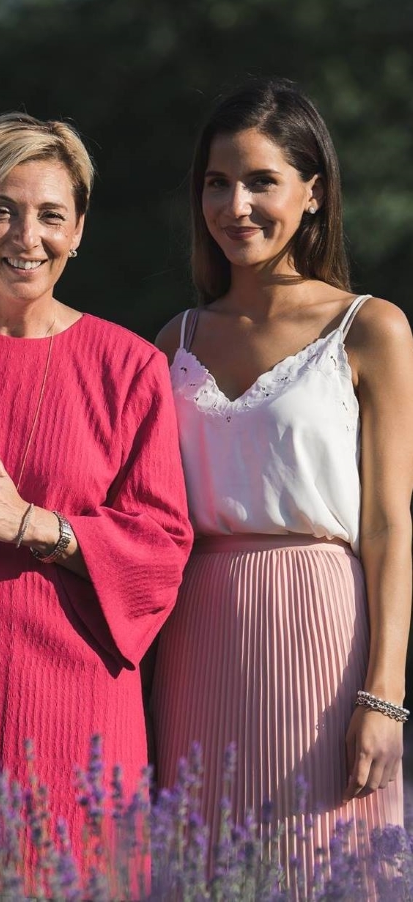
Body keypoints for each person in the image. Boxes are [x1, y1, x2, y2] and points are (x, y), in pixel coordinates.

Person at [0, 113, 193, 892]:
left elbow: (161, 548)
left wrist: (31, 523)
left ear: (79, 230)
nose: (27, 236)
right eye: (1, 209)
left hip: (81, 707)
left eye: (51, 215)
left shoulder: (131, 366)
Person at [152, 79, 412, 892]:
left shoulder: (370, 327)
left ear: (313, 192)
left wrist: (385, 696)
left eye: (261, 180)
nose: (236, 205)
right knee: (201, 867)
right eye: (217, 182)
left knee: (315, 869)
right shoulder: (175, 340)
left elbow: (390, 525)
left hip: (320, 625)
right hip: (197, 631)